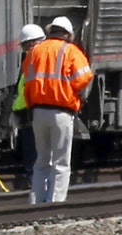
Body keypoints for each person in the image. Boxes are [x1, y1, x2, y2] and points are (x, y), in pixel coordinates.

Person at [22, 16, 94, 203]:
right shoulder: (70, 50)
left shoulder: (34, 52)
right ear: (68, 34)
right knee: (61, 163)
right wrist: (68, 87)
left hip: (38, 113)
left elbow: (27, 80)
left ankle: (35, 201)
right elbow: (84, 77)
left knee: (41, 161)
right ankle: (54, 204)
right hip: (61, 112)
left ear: (51, 31)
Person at [11, 23, 46, 192]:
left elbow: (30, 88)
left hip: (31, 113)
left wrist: (18, 109)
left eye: (24, 45)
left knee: (33, 154)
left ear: (32, 43)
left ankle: (37, 188)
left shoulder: (34, 59)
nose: (23, 49)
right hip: (32, 111)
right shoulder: (38, 58)